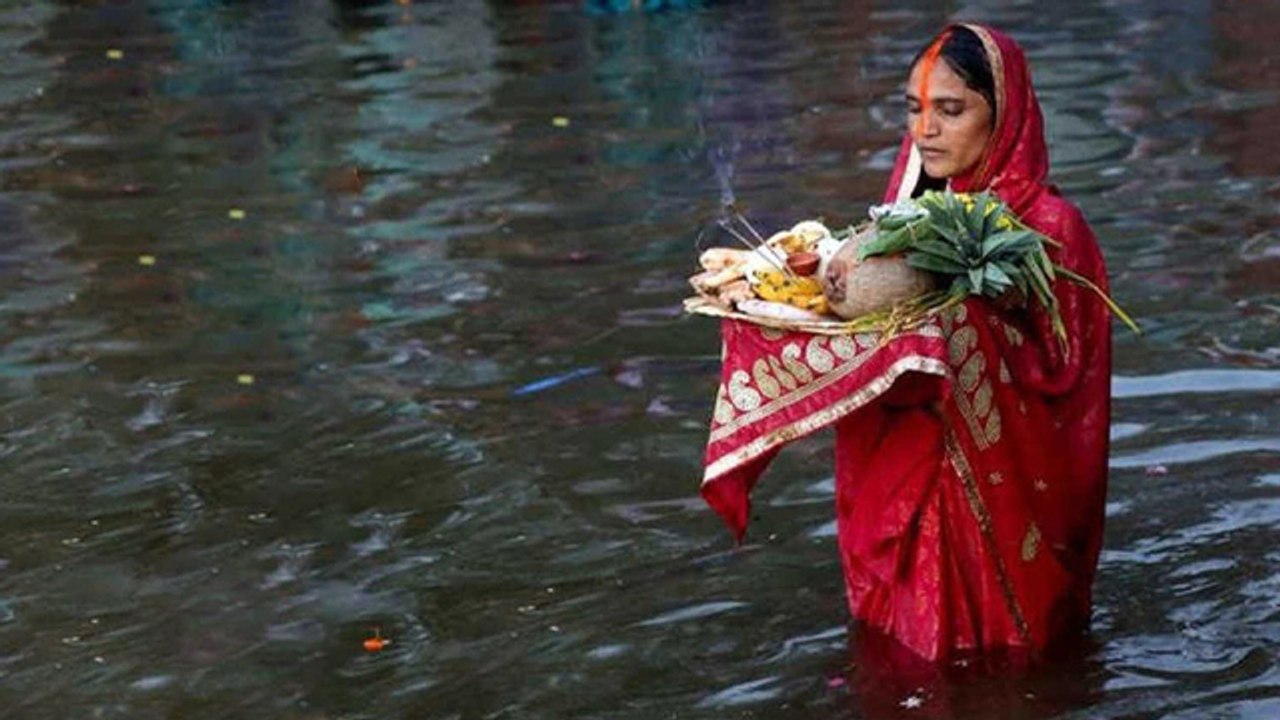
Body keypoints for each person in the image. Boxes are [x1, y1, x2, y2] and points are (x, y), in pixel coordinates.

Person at [829, 23, 1113, 661]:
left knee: (1001, 664)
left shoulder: (1053, 227)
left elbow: (1069, 378)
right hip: (916, 469)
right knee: (905, 651)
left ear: (1003, 115)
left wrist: (969, 326)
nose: (925, 130)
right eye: (914, 109)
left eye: (950, 111)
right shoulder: (909, 220)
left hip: (1005, 475)